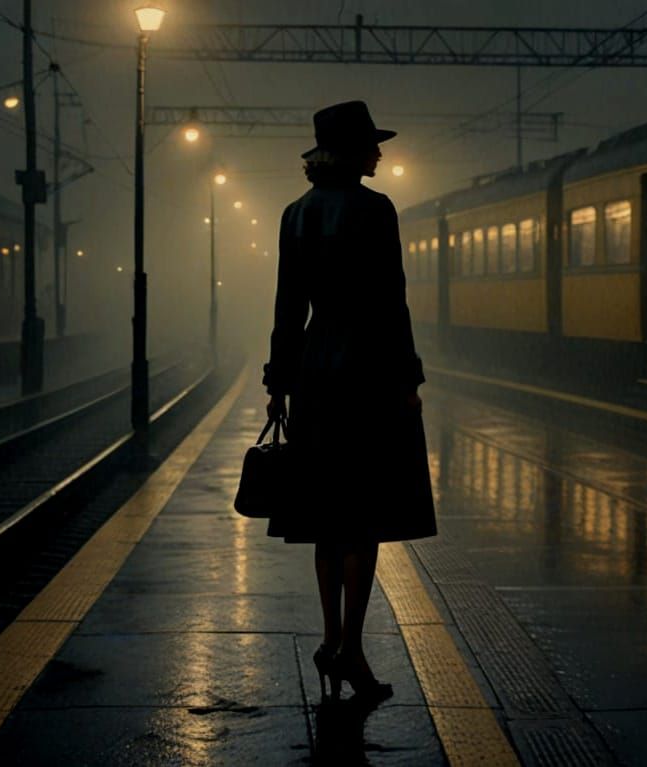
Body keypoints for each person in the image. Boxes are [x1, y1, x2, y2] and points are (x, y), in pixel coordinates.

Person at [263, 100, 437, 706]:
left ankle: (330, 638)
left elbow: (288, 307)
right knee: (364, 519)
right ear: (354, 151)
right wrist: (409, 378)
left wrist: (277, 382)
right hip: (369, 374)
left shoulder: (295, 214)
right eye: (373, 144)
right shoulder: (376, 209)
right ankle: (353, 650)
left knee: (325, 518)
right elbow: (393, 301)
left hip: (314, 373)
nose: (381, 153)